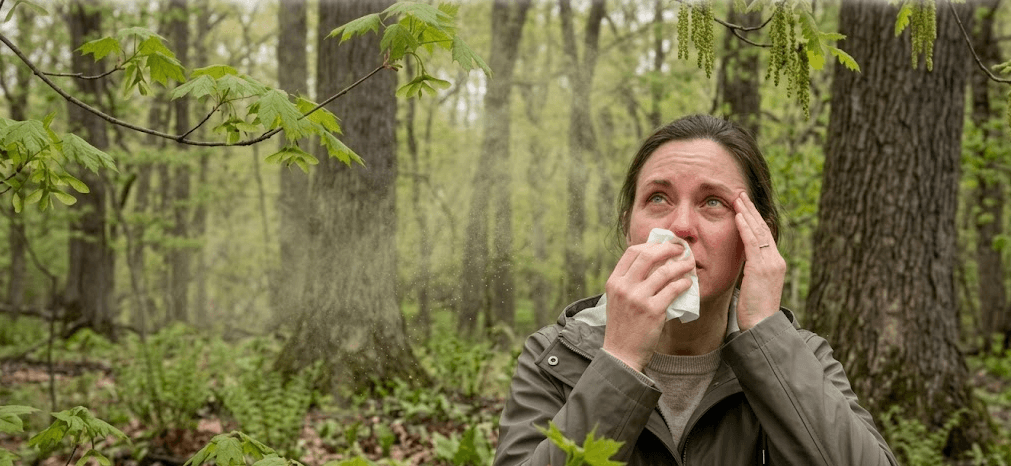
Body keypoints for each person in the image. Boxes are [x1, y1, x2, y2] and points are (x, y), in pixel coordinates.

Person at [493, 114, 897, 465]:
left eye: (713, 203)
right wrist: (620, 360)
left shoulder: (804, 358)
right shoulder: (556, 357)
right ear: (627, 227)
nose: (681, 226)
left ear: (758, 235)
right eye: (658, 198)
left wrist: (765, 335)